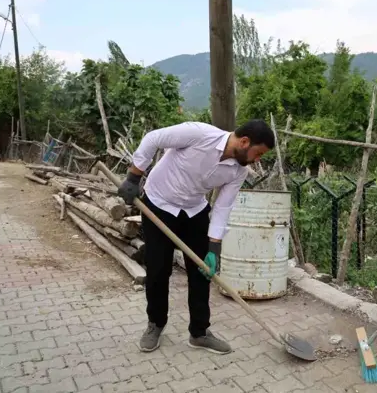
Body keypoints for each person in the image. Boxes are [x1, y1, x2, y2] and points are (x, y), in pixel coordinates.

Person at [117, 119, 275, 354]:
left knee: (202, 272)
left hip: (194, 209)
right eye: (258, 153)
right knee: (159, 269)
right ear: (244, 142)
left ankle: (199, 333)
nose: (257, 159)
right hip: (159, 203)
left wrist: (214, 247)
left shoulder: (238, 171)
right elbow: (153, 138)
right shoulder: (199, 134)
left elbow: (223, 207)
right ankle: (155, 324)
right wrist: (133, 176)